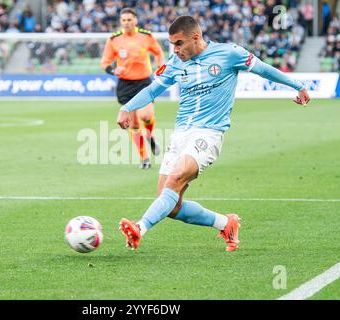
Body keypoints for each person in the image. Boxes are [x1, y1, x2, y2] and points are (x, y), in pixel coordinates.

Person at [117, 16, 310, 252]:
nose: (175, 50)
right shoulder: (175, 63)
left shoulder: (229, 54)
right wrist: (127, 108)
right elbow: (153, 89)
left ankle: (139, 228)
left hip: (208, 133)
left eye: (179, 43)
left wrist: (297, 85)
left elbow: (263, 69)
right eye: (172, 45)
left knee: (175, 179)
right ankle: (225, 223)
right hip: (180, 135)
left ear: (195, 37)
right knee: (170, 205)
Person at [101, 8, 165, 169]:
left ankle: (150, 136)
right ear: (120, 22)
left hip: (143, 82)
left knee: (146, 115)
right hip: (125, 85)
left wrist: (160, 67)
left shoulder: (146, 36)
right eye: (124, 20)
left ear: (135, 20)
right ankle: (144, 158)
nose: (127, 23)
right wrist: (113, 70)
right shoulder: (114, 39)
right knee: (134, 124)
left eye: (130, 19)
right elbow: (105, 62)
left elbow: (158, 52)